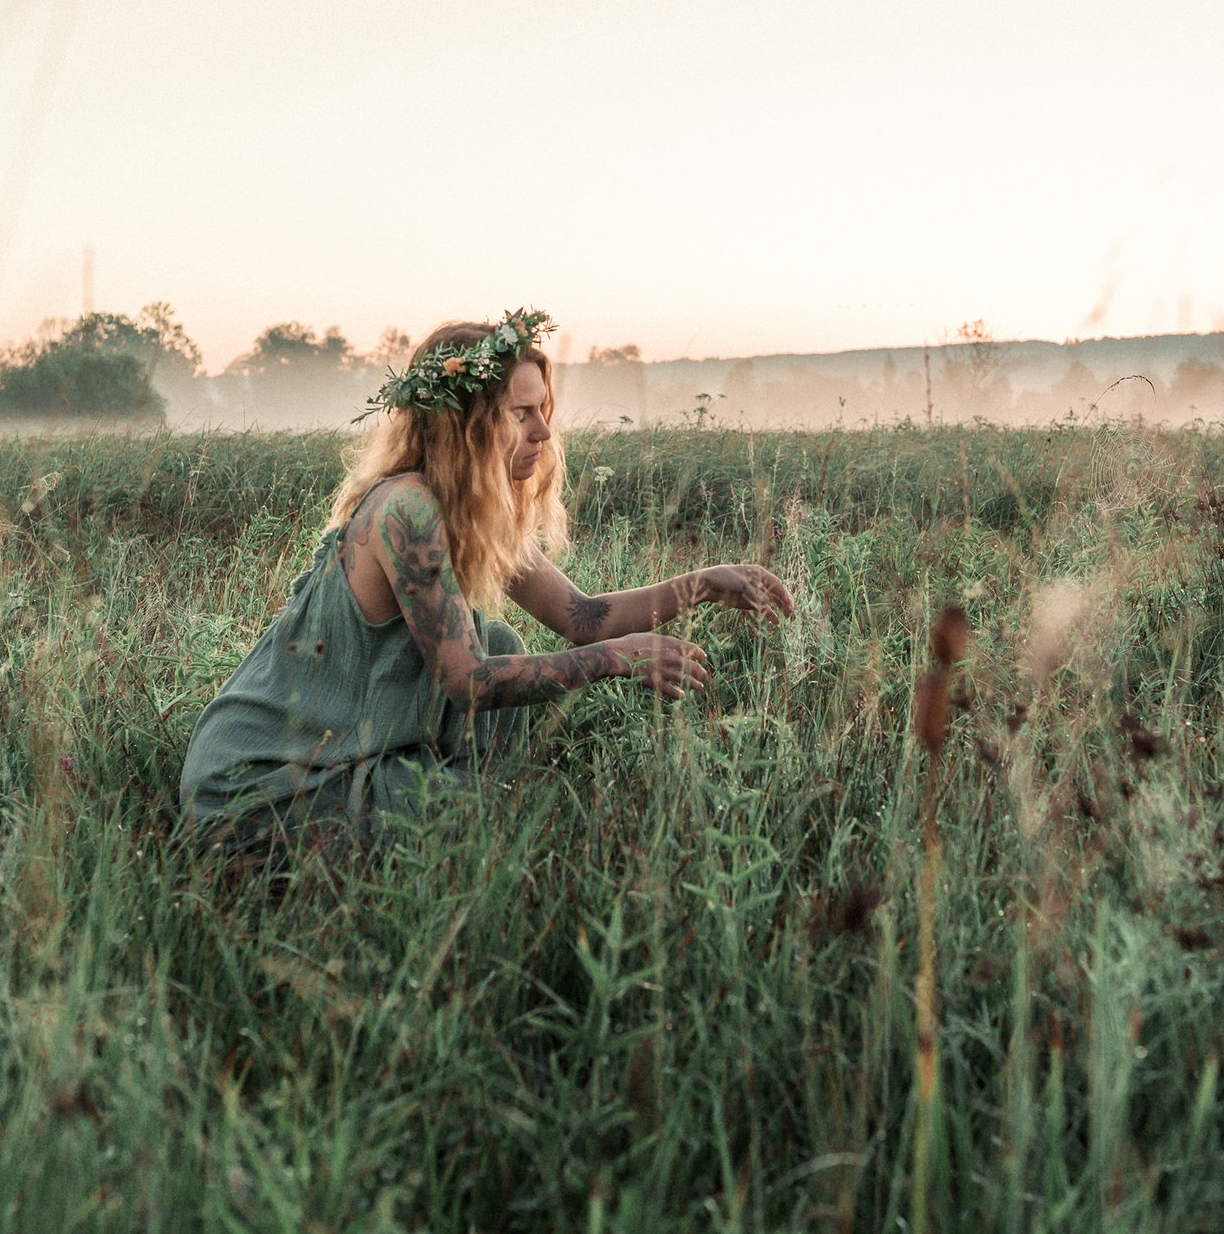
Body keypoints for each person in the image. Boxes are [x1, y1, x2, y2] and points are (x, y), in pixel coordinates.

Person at [180, 309, 794, 851]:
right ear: (466, 424)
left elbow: (582, 616)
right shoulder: (406, 509)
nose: (543, 433)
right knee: (487, 803)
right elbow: (465, 681)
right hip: (259, 781)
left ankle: (462, 814)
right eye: (521, 414)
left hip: (337, 757)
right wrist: (616, 660)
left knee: (499, 645)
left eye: (542, 411)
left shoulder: (471, 514)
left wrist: (706, 585)